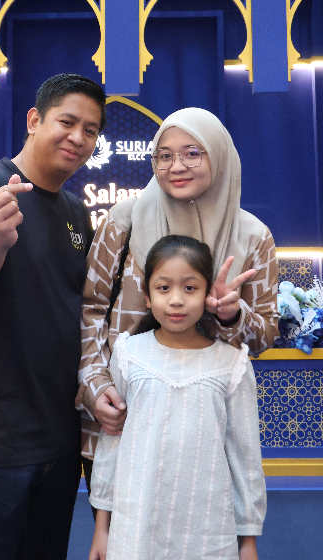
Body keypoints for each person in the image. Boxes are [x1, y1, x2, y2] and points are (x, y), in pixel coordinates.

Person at [0, 73, 106, 560]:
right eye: (67, 122)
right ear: (34, 120)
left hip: (57, 442)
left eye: (90, 130)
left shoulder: (77, 212)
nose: (78, 138)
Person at [78, 106, 279, 463]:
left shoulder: (252, 237)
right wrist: (96, 384)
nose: (176, 166)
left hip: (203, 427)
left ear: (218, 155)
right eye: (165, 156)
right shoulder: (124, 220)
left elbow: (264, 337)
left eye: (192, 153)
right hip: (122, 417)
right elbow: (91, 309)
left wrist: (232, 316)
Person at [87, 235, 266, 560]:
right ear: (147, 295)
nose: (176, 300)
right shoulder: (129, 354)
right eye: (164, 287)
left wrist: (248, 541)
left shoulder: (232, 364)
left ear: (208, 294)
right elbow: (112, 442)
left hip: (208, 530)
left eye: (190, 288)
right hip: (135, 526)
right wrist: (102, 527)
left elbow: (245, 457)